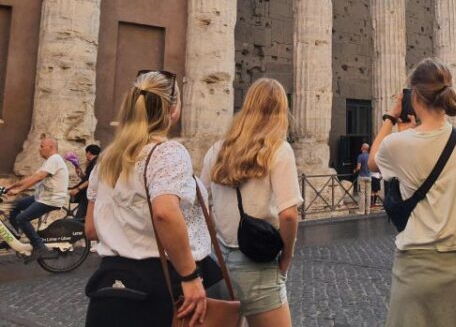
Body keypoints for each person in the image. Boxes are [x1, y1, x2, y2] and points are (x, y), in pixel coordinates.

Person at [85, 71, 219, 327]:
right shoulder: (168, 152)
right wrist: (190, 277)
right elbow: (164, 212)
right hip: (161, 283)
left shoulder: (107, 159)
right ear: (173, 109)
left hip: (110, 285)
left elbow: (91, 229)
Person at [369, 58, 456, 327]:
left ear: (415, 98)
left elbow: (373, 161)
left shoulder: (397, 144)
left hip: (417, 270)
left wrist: (390, 117)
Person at [201, 78, 302, 327]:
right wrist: (287, 255)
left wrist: (218, 230)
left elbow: (201, 203)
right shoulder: (278, 149)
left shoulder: (217, 149)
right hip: (257, 264)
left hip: (220, 261)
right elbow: (288, 214)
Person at [5, 137, 69, 262]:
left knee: (22, 218)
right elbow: (32, 177)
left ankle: (40, 246)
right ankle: (16, 238)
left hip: (50, 200)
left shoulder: (55, 159)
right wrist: (12, 187)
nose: (39, 149)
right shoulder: (49, 161)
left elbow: (38, 178)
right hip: (41, 197)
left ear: (51, 147)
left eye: (42, 146)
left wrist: (19, 190)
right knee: (15, 206)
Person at [69, 144, 101, 219]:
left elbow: (91, 180)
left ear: (89, 153)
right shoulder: (95, 162)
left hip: (89, 194)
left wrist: (77, 189)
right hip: (90, 194)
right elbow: (87, 178)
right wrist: (80, 173)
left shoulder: (95, 163)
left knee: (79, 217)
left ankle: (76, 229)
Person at [353, 143, 371, 213]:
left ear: (362, 148)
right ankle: (368, 210)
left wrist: (355, 170)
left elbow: (358, 167)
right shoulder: (370, 156)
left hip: (362, 177)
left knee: (362, 194)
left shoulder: (360, 156)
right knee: (368, 195)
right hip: (369, 177)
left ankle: (362, 211)